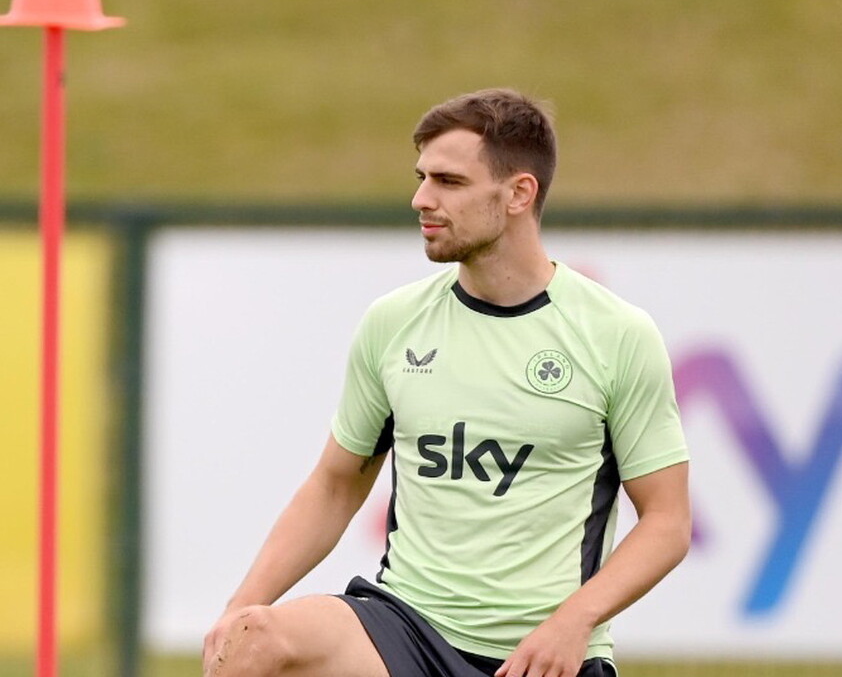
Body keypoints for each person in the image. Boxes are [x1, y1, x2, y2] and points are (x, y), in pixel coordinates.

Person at [202, 88, 691, 677]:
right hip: (403, 627)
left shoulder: (618, 335)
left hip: (543, 652)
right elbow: (335, 485)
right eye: (422, 178)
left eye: (449, 182)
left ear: (518, 193)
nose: (421, 199)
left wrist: (574, 622)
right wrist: (236, 611)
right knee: (257, 640)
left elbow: (667, 522)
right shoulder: (394, 322)